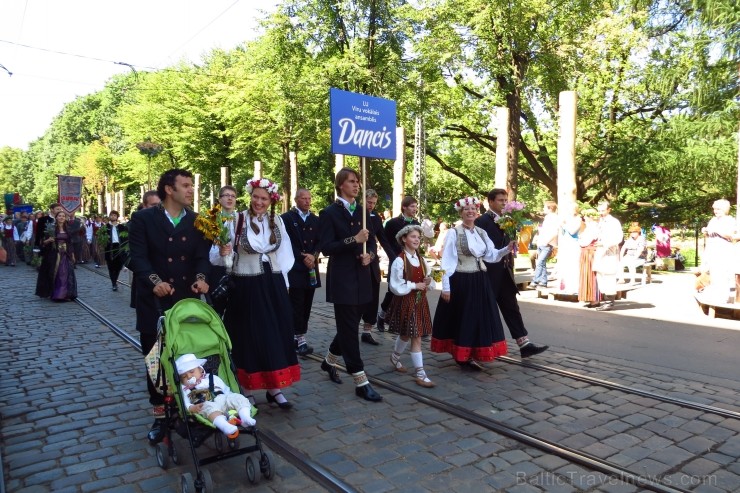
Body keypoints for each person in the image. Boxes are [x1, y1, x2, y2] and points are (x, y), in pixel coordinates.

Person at [128, 168, 212, 445]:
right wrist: (155, 281)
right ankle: (161, 416)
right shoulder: (143, 219)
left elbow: (202, 258)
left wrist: (201, 279)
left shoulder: (197, 220)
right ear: (169, 189)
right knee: (157, 361)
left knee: (192, 358)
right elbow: (137, 257)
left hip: (186, 301)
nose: (191, 190)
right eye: (186, 186)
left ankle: (198, 408)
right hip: (155, 301)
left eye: (192, 186)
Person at [219, 177, 300, 409]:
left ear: (271, 200)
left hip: (272, 282)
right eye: (255, 197)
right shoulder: (235, 219)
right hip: (246, 283)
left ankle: (274, 388)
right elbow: (220, 256)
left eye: (264, 198)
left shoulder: (277, 222)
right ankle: (246, 387)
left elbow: (285, 253)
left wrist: (282, 281)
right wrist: (223, 252)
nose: (259, 202)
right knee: (248, 334)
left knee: (275, 333)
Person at [318, 167, 382, 402]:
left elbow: (373, 243)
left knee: (350, 325)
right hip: (342, 279)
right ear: (340, 185)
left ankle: (329, 362)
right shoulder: (329, 213)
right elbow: (327, 247)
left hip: (362, 278)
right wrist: (353, 240)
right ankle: (360, 379)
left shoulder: (364, 212)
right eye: (352, 181)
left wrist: (370, 256)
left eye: (358, 181)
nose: (357, 185)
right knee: (348, 329)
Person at [432, 196, 513, 370]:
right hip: (462, 280)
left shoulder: (481, 232)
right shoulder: (454, 233)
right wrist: (446, 287)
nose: (470, 212)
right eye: (466, 209)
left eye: (473, 209)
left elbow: (491, 256)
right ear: (461, 213)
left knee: (479, 317)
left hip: (480, 280)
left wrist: (507, 248)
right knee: (465, 318)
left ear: (477, 212)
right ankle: (462, 356)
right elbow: (447, 261)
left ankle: (472, 352)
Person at [475, 189, 549, 358]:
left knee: (511, 308)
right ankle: (478, 346)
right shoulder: (482, 221)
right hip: (489, 273)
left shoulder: (509, 219)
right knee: (486, 310)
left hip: (505, 272)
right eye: (500, 200)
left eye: (505, 200)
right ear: (490, 202)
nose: (504, 203)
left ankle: (524, 344)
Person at [387, 224, 435, 387]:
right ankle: (420, 374)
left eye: (418, 237)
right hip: (406, 301)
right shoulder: (399, 261)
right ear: (404, 239)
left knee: (408, 334)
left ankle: (394, 357)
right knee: (416, 335)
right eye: (413, 236)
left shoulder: (421, 259)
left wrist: (428, 282)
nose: (417, 239)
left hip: (419, 301)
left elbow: (427, 278)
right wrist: (415, 286)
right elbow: (395, 285)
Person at [281, 188, 322, 356]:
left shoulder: (315, 219)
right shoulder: (286, 219)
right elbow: (285, 242)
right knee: (296, 303)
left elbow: (321, 240)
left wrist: (314, 255)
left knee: (307, 304)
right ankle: (299, 337)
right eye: (303, 198)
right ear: (296, 199)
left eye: (309, 198)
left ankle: (297, 334)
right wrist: (301, 256)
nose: (307, 201)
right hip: (295, 267)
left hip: (311, 268)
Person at [176, 353, 256, 438]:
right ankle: (225, 426)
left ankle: (245, 417)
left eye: (192, 371)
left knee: (238, 397)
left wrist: (232, 398)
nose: (189, 376)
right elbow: (185, 402)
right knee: (208, 407)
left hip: (222, 398)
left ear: (200, 369)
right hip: (206, 404)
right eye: (184, 376)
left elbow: (226, 390)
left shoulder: (212, 378)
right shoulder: (185, 389)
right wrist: (191, 407)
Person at [377, 196, 420, 332]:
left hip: (411, 260)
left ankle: (410, 322)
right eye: (412, 206)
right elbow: (386, 241)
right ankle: (382, 315)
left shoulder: (416, 223)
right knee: (393, 290)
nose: (415, 209)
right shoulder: (393, 223)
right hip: (397, 259)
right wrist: (394, 257)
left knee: (412, 290)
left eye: (415, 206)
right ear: (404, 207)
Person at [360, 189, 395, 345]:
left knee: (374, 296)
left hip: (372, 261)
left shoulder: (376, 218)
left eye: (374, 203)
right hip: (358, 260)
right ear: (363, 200)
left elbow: (383, 239)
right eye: (369, 202)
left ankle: (367, 331)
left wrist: (395, 258)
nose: (371, 206)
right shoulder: (356, 215)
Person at [207, 185, 239, 317]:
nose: (230, 198)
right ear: (219, 199)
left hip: (237, 269)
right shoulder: (211, 220)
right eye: (226, 195)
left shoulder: (241, 219)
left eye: (233, 196)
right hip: (217, 269)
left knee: (235, 309)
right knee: (216, 309)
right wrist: (219, 253)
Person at [35, 210, 78, 301]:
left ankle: (67, 293)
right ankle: (58, 294)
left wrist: (73, 255)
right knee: (57, 274)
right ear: (56, 218)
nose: (62, 217)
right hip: (54, 254)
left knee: (66, 273)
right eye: (60, 216)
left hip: (66, 254)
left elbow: (70, 243)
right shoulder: (51, 229)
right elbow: (42, 242)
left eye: (63, 216)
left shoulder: (68, 228)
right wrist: (48, 240)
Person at [700, 199, 737, 302]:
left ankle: (722, 298)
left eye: (718, 209)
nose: (716, 211)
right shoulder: (713, 220)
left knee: (722, 273)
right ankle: (713, 294)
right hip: (712, 249)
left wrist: (717, 230)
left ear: (725, 209)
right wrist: (705, 231)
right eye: (715, 209)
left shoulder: (729, 220)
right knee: (712, 272)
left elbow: (730, 235)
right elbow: (709, 233)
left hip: (723, 250)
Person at [592, 201, 623, 311]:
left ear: (609, 210)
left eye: (603, 210)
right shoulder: (600, 221)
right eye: (599, 210)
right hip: (600, 252)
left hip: (609, 252)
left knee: (609, 276)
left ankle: (609, 302)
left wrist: (605, 243)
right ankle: (605, 299)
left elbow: (619, 238)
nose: (600, 213)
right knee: (600, 275)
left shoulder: (614, 222)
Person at [557, 203, 583, 294]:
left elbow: (572, 231)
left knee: (574, 266)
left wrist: (564, 225)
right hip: (566, 244)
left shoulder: (578, 219)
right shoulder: (567, 219)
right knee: (566, 266)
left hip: (573, 244)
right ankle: (567, 286)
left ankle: (575, 287)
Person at [532, 201, 559, 288]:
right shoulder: (547, 217)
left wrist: (547, 241)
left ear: (550, 208)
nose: (543, 209)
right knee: (542, 263)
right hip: (542, 243)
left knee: (540, 262)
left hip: (547, 244)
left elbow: (555, 232)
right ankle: (543, 282)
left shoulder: (555, 218)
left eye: (544, 207)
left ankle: (535, 281)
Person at [578, 209, 601, 307]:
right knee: (587, 275)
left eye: (586, 216)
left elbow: (584, 242)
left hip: (590, 252)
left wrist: (580, 239)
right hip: (587, 252)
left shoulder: (593, 227)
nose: (584, 218)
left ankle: (594, 299)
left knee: (591, 275)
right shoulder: (591, 227)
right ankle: (590, 297)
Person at [103, 211, 127, 291]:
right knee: (110, 267)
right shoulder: (105, 227)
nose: (113, 217)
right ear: (109, 216)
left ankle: (115, 281)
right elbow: (101, 238)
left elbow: (125, 238)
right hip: (109, 248)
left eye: (114, 215)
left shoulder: (122, 227)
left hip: (119, 247)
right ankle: (113, 283)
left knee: (118, 267)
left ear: (117, 217)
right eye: (111, 215)